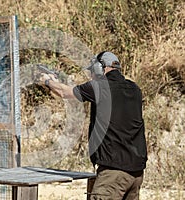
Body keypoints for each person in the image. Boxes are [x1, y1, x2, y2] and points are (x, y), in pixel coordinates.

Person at [39, 51, 148, 200]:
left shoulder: (100, 87)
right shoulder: (135, 89)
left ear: (99, 67)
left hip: (112, 174)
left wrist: (47, 82)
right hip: (136, 173)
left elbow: (65, 93)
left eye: (92, 70)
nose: (91, 75)